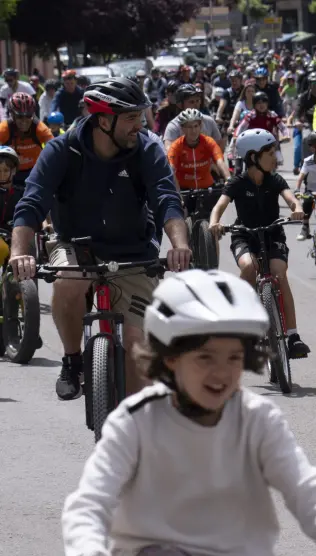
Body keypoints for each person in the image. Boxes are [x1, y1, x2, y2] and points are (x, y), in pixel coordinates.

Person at [61, 269, 316, 556]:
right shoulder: (137, 421)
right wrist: (90, 549)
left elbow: (308, 490)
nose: (221, 373)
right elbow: (89, 504)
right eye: (205, 358)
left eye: (234, 358)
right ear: (170, 358)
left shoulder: (256, 418)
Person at [10, 77, 191, 401]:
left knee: (139, 356)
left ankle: (133, 435)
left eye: (141, 116)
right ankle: (72, 361)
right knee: (69, 280)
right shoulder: (62, 150)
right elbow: (32, 202)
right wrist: (20, 252)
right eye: (132, 118)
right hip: (76, 244)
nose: (141, 124)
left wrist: (179, 245)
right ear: (104, 120)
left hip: (133, 247)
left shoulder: (147, 148)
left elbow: (167, 199)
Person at [209, 129, 311, 358]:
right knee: (248, 267)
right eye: (270, 152)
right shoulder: (237, 182)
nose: (276, 157)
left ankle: (293, 336)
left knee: (279, 272)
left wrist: (297, 209)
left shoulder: (274, 180)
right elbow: (219, 207)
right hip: (244, 235)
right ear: (253, 157)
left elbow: (291, 198)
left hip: (273, 234)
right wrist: (214, 223)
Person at [167, 109, 229, 199]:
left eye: (196, 126)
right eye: (189, 127)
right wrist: (178, 194)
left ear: (200, 126)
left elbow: (220, 161)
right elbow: (171, 171)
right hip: (184, 190)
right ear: (182, 128)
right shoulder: (176, 146)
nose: (193, 130)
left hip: (207, 188)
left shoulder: (208, 142)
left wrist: (228, 179)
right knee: (182, 211)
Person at [0, 92, 55, 184]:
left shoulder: (39, 128)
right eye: (19, 117)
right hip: (9, 174)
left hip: (34, 172)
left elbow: (54, 148)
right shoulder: (4, 129)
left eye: (28, 116)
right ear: (12, 115)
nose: (24, 121)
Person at [163, 84, 226, 150]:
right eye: (191, 102)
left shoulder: (209, 121)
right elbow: (169, 151)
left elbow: (219, 147)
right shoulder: (173, 126)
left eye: (198, 101)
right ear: (180, 105)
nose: (196, 105)